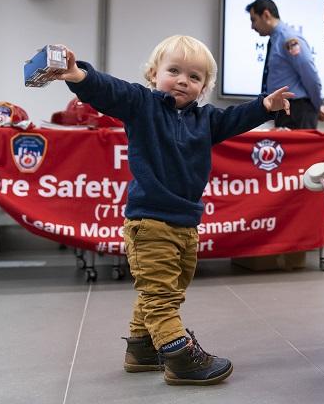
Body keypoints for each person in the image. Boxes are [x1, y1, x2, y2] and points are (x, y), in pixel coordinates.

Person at [50, 35, 294, 386]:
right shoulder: (141, 104)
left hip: (186, 222)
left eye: (194, 77)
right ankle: (179, 356)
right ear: (154, 74)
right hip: (148, 221)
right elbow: (109, 90)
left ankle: (141, 348)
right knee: (160, 295)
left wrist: (265, 106)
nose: (183, 80)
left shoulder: (205, 120)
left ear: (204, 87)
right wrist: (78, 74)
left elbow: (235, 118)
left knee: (168, 287)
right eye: (174, 71)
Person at [246, 0, 324, 129]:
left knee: (299, 150)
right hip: (286, 111)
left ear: (266, 15)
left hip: (297, 112)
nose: (252, 26)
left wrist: (317, 104)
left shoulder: (288, 39)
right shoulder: (276, 39)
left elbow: (309, 73)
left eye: (253, 20)